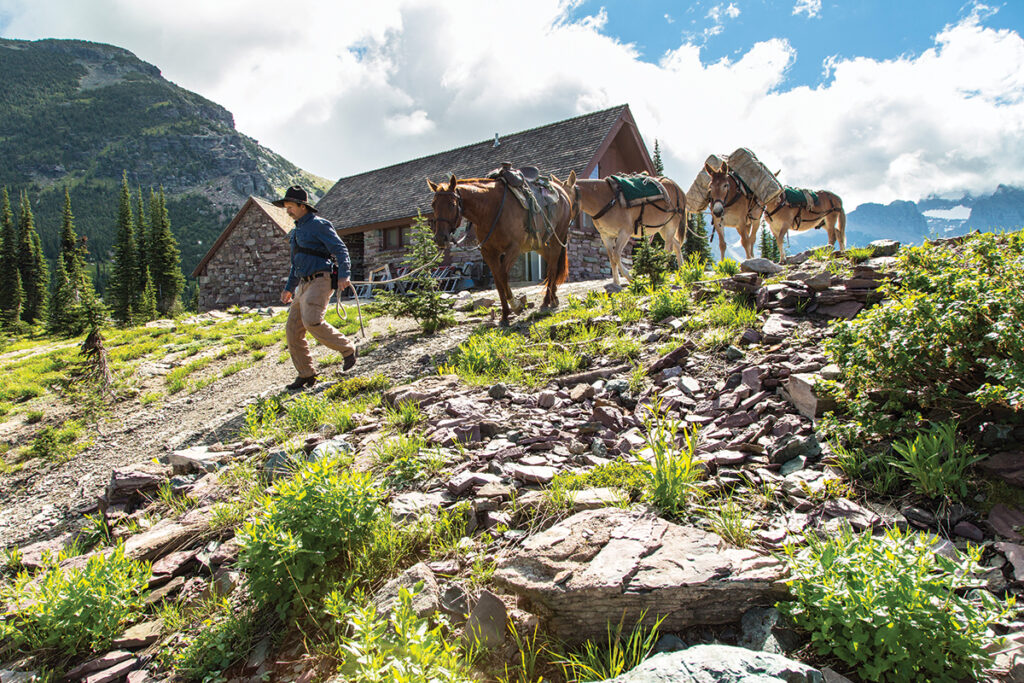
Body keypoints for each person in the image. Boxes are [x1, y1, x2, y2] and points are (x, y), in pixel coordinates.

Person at [274, 185, 357, 390]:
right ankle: (306, 374)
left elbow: (340, 249)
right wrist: (289, 288)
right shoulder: (295, 232)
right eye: (286, 207)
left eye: (290, 206)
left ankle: (347, 349)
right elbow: (296, 263)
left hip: (320, 280)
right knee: (292, 330)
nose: (288, 211)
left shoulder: (320, 225)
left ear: (302, 206)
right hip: (303, 284)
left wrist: (345, 274)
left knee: (312, 321)